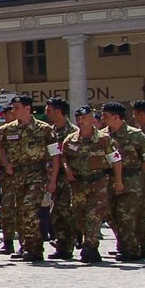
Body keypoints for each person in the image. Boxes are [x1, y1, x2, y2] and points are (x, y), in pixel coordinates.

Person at [0, 96, 59, 264]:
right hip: (16, 177)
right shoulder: (8, 129)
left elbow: (55, 155)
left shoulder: (44, 130)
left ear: (27, 108)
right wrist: (5, 164)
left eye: (16, 108)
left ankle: (32, 247)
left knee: (29, 208)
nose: (13, 111)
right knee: (21, 211)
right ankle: (29, 246)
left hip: (36, 174)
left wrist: (52, 180)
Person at [56, 105, 124, 264]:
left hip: (98, 182)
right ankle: (86, 241)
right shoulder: (70, 139)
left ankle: (90, 248)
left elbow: (116, 160)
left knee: (94, 215)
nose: (81, 122)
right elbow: (64, 157)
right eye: (78, 119)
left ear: (92, 119)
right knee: (79, 215)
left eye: (84, 118)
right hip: (79, 183)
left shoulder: (104, 139)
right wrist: (67, 169)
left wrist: (119, 181)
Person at [101, 101, 145, 261]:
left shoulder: (135, 135)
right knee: (112, 216)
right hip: (110, 180)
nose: (102, 118)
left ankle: (131, 249)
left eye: (105, 115)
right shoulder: (102, 136)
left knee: (126, 215)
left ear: (116, 117)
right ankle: (130, 245)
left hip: (132, 181)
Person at [42, 98, 77, 260]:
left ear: (58, 112)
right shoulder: (49, 132)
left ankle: (68, 243)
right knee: (55, 212)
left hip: (71, 179)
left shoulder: (74, 132)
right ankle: (63, 243)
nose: (45, 113)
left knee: (66, 211)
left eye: (48, 110)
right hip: (54, 178)